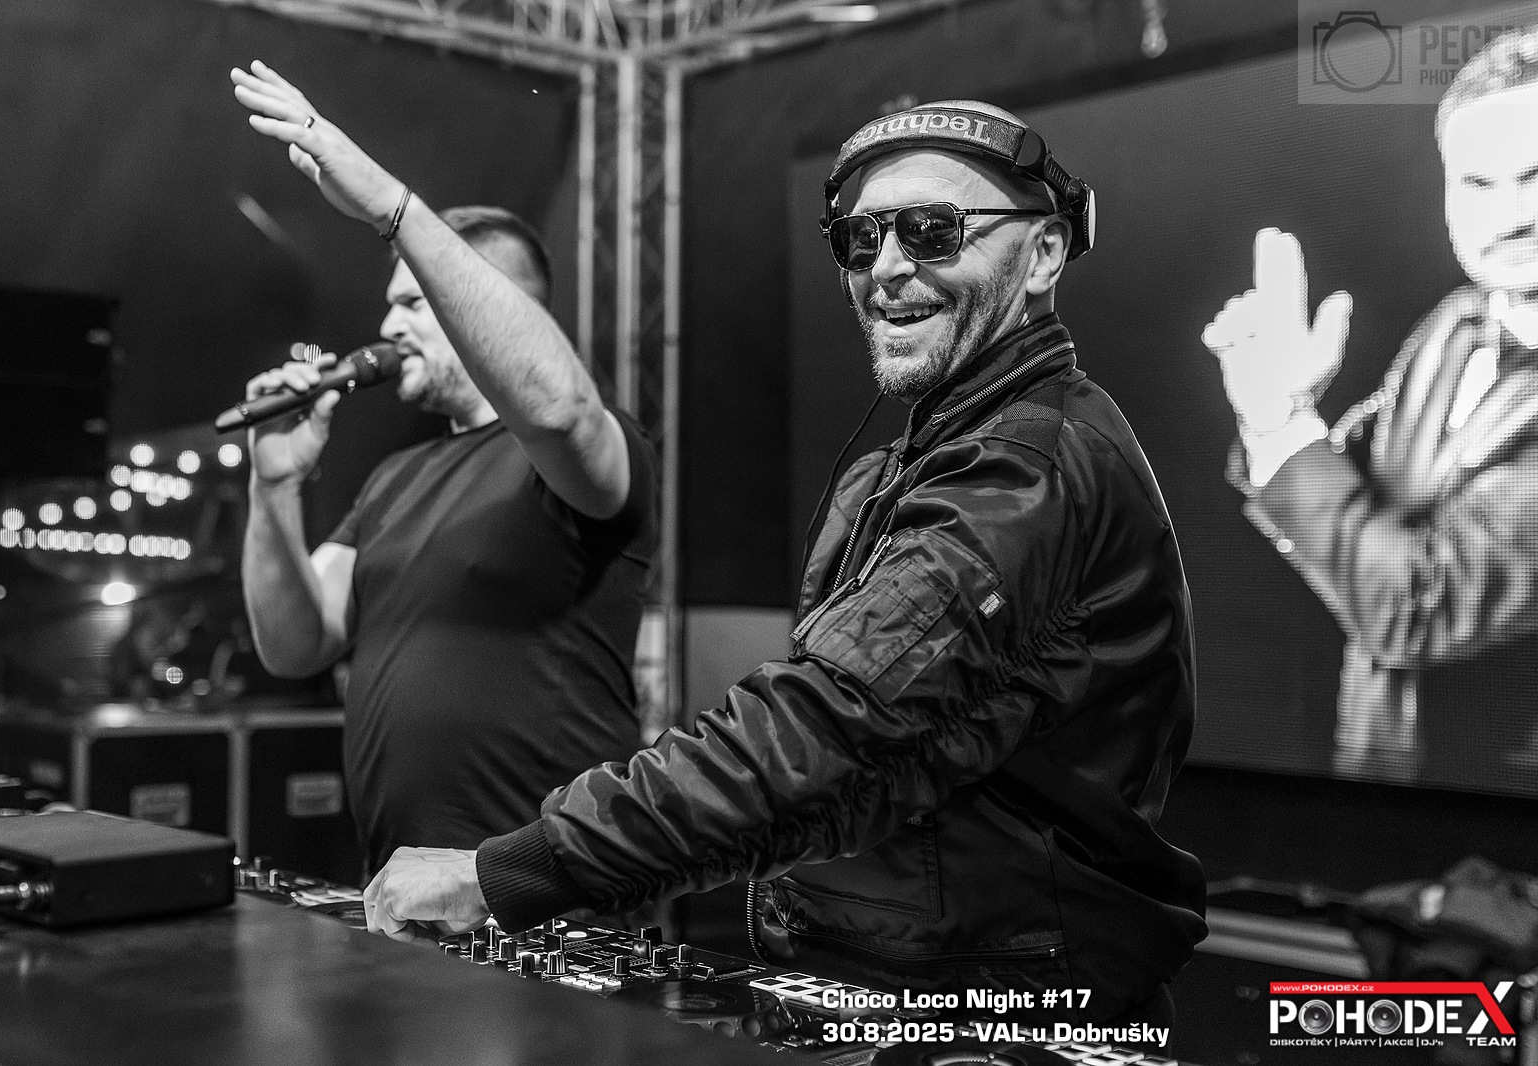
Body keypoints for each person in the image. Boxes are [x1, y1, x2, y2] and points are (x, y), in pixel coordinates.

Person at [241, 81, 1205, 1026]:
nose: (886, 268)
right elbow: (860, 769)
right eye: (860, 239)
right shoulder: (902, 467)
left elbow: (828, 733)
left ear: (1044, 253)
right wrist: (273, 484)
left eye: (933, 230)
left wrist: (510, 870)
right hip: (907, 978)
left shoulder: (1027, 468)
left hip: (1005, 1004)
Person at [233, 79, 658, 876]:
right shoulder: (394, 479)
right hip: (400, 894)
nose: (387, 324)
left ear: (486, 303)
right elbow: (295, 644)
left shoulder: (590, 442)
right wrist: (276, 487)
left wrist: (390, 206)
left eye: (414, 301)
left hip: (546, 899)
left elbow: (560, 410)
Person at [1203, 29, 1538, 792]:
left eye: (1536, 176)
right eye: (1477, 184)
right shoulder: (1460, 321)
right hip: (1388, 792)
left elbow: (1416, 608)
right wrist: (1280, 405)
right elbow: (1361, 483)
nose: (1510, 216)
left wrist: (1284, 433)